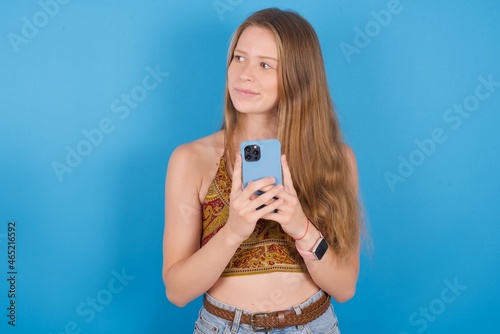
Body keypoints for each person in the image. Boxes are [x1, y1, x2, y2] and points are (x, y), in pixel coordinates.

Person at [163, 7, 364, 333]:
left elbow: (344, 287)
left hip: (312, 325)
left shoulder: (335, 159)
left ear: (297, 77)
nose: (244, 74)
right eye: (239, 58)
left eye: (265, 65)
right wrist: (233, 231)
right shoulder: (191, 159)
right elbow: (177, 291)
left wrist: (301, 228)